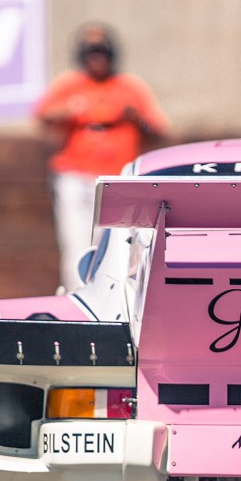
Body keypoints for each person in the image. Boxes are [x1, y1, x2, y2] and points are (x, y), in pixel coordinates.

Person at [35, 24, 168, 291]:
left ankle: (113, 301)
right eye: (91, 52)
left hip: (117, 179)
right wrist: (73, 110)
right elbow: (43, 114)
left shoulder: (129, 87)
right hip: (75, 177)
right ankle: (78, 301)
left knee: (117, 246)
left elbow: (159, 129)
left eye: (102, 51)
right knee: (76, 245)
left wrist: (133, 116)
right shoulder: (70, 85)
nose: (97, 57)